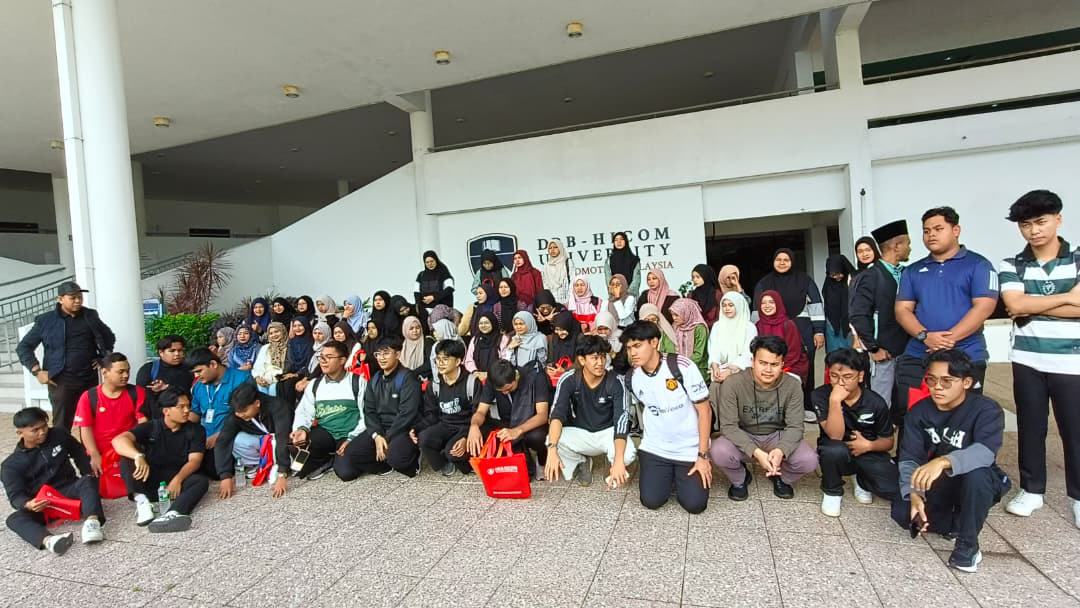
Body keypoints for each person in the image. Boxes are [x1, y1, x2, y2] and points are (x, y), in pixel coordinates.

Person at [997, 190, 1080, 525]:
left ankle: (1078, 496)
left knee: (1074, 429)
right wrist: (1068, 298)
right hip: (1027, 358)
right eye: (1026, 225)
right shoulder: (1012, 264)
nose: (1034, 231)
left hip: (1072, 360)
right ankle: (1032, 489)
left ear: (1058, 219)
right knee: (1031, 427)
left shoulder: (1077, 259)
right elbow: (1015, 304)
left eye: (1040, 222)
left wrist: (1033, 306)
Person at [892, 349, 1010, 573]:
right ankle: (958, 519)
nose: (937, 387)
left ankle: (968, 545)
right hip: (942, 481)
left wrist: (943, 461)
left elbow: (985, 452)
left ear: (966, 382)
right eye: (931, 380)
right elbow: (909, 458)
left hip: (978, 477)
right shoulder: (919, 411)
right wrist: (914, 493)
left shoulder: (986, 409)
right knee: (903, 512)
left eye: (947, 381)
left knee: (977, 474)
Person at [895, 206, 998, 423]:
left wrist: (947, 340)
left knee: (962, 420)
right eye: (926, 231)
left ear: (956, 230)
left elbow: (984, 307)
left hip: (966, 355)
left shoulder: (978, 265)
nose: (931, 235)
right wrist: (925, 336)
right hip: (918, 355)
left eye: (938, 229)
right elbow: (902, 310)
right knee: (912, 417)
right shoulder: (913, 271)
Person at [712, 335, 818, 500]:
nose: (768, 370)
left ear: (782, 364)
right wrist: (755, 452)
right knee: (719, 451)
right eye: (763, 363)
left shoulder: (793, 385)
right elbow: (728, 426)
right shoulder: (733, 383)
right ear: (753, 361)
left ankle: (781, 477)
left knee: (809, 460)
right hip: (744, 434)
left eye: (774, 364)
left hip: (777, 435)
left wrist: (781, 450)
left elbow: (795, 427)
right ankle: (740, 479)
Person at [620, 321, 711, 513]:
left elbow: (705, 411)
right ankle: (667, 476)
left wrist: (702, 456)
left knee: (695, 505)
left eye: (637, 345)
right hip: (656, 448)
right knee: (651, 501)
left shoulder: (681, 366)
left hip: (688, 449)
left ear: (654, 342)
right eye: (629, 348)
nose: (633, 352)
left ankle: (678, 477)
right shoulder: (632, 377)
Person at [3, 407, 105, 554]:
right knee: (13, 519)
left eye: (44, 426)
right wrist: (28, 504)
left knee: (87, 480)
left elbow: (78, 452)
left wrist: (89, 474)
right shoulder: (11, 465)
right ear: (20, 433)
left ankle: (92, 524)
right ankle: (50, 541)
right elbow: (15, 496)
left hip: (69, 490)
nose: (42, 432)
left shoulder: (58, 434)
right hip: (44, 503)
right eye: (35, 430)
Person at [16, 281, 116, 431]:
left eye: (80, 297)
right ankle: (61, 447)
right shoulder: (45, 320)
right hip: (60, 379)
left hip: (88, 377)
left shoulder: (90, 315)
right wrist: (37, 371)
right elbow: (23, 347)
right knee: (62, 424)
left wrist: (103, 357)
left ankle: (89, 447)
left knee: (92, 420)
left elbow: (109, 337)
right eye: (72, 297)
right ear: (60, 299)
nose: (78, 301)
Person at [811, 348, 898, 517]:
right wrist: (835, 401)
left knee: (890, 487)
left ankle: (861, 480)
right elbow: (835, 436)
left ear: (860, 376)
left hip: (868, 451)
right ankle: (832, 491)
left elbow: (888, 441)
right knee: (833, 450)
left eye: (847, 376)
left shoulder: (875, 402)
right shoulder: (820, 395)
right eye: (834, 376)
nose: (840, 382)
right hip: (837, 448)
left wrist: (869, 445)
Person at [113, 388, 209, 533]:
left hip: (175, 480)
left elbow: (195, 461)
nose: (186, 410)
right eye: (181, 407)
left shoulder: (196, 430)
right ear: (166, 411)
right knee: (127, 458)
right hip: (150, 478)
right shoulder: (152, 427)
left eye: (188, 406)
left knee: (200, 481)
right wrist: (138, 456)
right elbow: (118, 440)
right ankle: (142, 502)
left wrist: (178, 479)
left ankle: (173, 513)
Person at [546, 335, 636, 487]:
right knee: (551, 439)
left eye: (603, 357)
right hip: (580, 431)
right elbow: (557, 414)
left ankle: (612, 464)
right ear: (582, 360)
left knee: (628, 454)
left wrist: (619, 461)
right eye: (594, 358)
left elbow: (622, 420)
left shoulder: (616, 381)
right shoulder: (569, 379)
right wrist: (552, 450)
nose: (600, 363)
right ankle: (582, 461)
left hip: (608, 432)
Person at [754, 249, 825, 423]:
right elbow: (757, 309)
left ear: (792, 261)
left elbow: (816, 305)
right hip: (771, 328)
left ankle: (806, 406)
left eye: (786, 260)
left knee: (805, 368)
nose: (782, 263)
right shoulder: (764, 283)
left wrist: (819, 330)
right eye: (778, 259)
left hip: (803, 328)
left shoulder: (804, 280)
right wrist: (755, 330)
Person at [337, 337, 422, 479]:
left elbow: (407, 413)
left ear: (397, 354)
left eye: (386, 353)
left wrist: (386, 438)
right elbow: (369, 411)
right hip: (381, 427)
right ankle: (384, 466)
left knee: (398, 458)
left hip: (402, 428)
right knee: (353, 452)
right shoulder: (375, 379)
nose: (381, 358)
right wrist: (376, 435)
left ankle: (412, 461)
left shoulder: (407, 378)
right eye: (378, 354)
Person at [849, 220, 912, 410]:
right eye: (907, 243)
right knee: (882, 403)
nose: (910, 248)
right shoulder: (870, 276)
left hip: (909, 350)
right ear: (896, 246)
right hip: (884, 352)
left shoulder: (908, 273)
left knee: (906, 403)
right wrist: (874, 348)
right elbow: (858, 315)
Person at [290, 340, 368, 480]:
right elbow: (304, 411)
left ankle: (340, 458)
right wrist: (301, 429)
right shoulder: (315, 384)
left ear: (342, 360)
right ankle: (326, 459)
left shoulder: (357, 382)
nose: (323, 361)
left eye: (329, 357)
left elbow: (367, 414)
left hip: (349, 434)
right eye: (321, 357)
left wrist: (352, 438)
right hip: (326, 433)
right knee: (296, 445)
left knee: (346, 473)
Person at [467, 359, 551, 480]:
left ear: (516, 377)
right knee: (481, 428)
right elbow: (481, 411)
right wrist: (474, 426)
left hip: (531, 422)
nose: (505, 393)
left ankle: (541, 459)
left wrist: (517, 430)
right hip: (508, 422)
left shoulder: (535, 377)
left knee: (537, 437)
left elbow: (542, 415)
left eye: (508, 388)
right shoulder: (493, 380)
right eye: (501, 391)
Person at [414, 340, 482, 476]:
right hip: (445, 425)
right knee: (424, 437)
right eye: (438, 359)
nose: (440, 363)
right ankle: (444, 462)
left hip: (467, 426)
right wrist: (416, 429)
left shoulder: (471, 382)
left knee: (454, 452)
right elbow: (432, 414)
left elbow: (479, 413)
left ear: (458, 361)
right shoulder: (435, 385)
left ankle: (462, 460)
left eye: (445, 359)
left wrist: (466, 437)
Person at [73, 353, 147, 477]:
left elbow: (143, 424)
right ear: (105, 372)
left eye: (128, 371)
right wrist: (94, 454)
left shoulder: (137, 392)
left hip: (128, 450)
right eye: (120, 372)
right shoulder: (89, 397)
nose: (126, 375)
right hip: (100, 452)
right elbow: (85, 429)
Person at [216, 383, 293, 499]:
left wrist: (282, 474)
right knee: (238, 440)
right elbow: (223, 440)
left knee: (281, 441)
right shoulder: (238, 413)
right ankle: (260, 465)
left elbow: (283, 437)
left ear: (257, 403)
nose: (240, 415)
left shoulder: (278, 406)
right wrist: (225, 476)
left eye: (244, 410)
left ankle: (282, 465)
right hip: (263, 444)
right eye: (237, 412)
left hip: (285, 443)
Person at [187, 348, 254, 479]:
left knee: (215, 470)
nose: (196, 376)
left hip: (231, 436)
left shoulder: (242, 379)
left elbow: (247, 415)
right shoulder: (199, 386)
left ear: (213, 364)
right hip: (205, 438)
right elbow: (195, 413)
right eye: (194, 373)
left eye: (199, 371)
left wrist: (220, 435)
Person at [706, 292, 758, 414]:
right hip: (722, 369)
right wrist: (715, 366)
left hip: (742, 369)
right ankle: (720, 423)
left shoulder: (749, 327)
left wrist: (730, 371)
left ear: (739, 305)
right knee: (714, 387)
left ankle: (735, 422)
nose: (727, 308)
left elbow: (748, 353)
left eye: (731, 305)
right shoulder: (717, 326)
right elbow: (714, 349)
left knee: (730, 384)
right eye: (724, 305)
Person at [754, 290, 808, 382]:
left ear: (778, 304)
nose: (767, 306)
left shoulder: (788, 324)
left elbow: (793, 352)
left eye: (771, 302)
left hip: (789, 365)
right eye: (763, 303)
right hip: (765, 366)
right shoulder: (758, 325)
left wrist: (776, 367)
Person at [135, 335, 193, 417]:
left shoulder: (189, 370)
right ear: (161, 352)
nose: (177, 354)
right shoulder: (149, 369)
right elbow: (140, 396)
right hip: (155, 418)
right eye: (172, 351)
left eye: (180, 350)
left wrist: (167, 387)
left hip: (184, 416)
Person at [821, 254, 857, 353]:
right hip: (832, 325)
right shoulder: (828, 283)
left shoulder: (854, 280)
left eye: (838, 273)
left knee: (851, 357)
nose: (836, 277)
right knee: (834, 356)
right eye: (832, 275)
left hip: (851, 325)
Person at [669, 298, 709, 377]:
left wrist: (682, 365)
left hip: (697, 369)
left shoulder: (700, 328)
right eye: (672, 314)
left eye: (676, 315)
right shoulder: (675, 326)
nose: (674, 318)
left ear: (687, 313)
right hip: (677, 369)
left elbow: (699, 355)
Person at [415, 250, 456, 325]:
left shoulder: (443, 273)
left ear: (436, 260)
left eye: (432, 261)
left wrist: (434, 297)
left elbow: (450, 289)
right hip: (425, 308)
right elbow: (416, 292)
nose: (430, 264)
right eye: (427, 262)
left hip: (441, 308)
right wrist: (419, 307)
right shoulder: (421, 275)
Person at [464, 311, 507, 381]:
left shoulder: (502, 338)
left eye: (486, 323)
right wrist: (475, 372)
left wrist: (489, 374)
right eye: (481, 323)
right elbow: (469, 359)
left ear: (493, 323)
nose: (483, 325)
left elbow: (505, 359)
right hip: (478, 378)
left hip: (497, 378)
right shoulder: (475, 339)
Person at [252, 321, 287, 396]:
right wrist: (258, 378)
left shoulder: (288, 346)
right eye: (271, 333)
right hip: (264, 378)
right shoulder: (265, 348)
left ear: (283, 331)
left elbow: (286, 368)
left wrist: (271, 378)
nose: (274, 335)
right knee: (260, 386)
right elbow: (257, 366)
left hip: (278, 378)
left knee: (273, 388)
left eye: (277, 331)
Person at [298, 321, 332, 392]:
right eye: (315, 333)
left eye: (320, 333)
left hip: (323, 378)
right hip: (310, 376)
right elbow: (308, 364)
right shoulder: (314, 347)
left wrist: (308, 380)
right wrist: (305, 378)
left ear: (326, 333)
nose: (317, 335)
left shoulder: (330, 348)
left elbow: (321, 368)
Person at [604, 231, 642, 296]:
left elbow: (636, 280)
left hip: (631, 296)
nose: (619, 242)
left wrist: (628, 294)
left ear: (626, 241)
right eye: (616, 240)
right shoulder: (609, 261)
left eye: (621, 239)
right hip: (616, 296)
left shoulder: (634, 260)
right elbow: (609, 280)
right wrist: (616, 293)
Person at [401, 316, 435, 380]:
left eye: (417, 328)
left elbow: (431, 362)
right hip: (405, 379)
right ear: (405, 330)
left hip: (424, 378)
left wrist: (413, 373)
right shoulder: (402, 344)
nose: (415, 331)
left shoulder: (428, 342)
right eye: (411, 328)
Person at [541, 238, 575, 303]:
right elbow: (545, 286)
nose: (552, 250)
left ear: (560, 248)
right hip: (552, 302)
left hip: (567, 300)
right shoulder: (546, 267)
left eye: (555, 247)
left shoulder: (568, 262)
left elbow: (572, 281)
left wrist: (569, 300)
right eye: (550, 248)